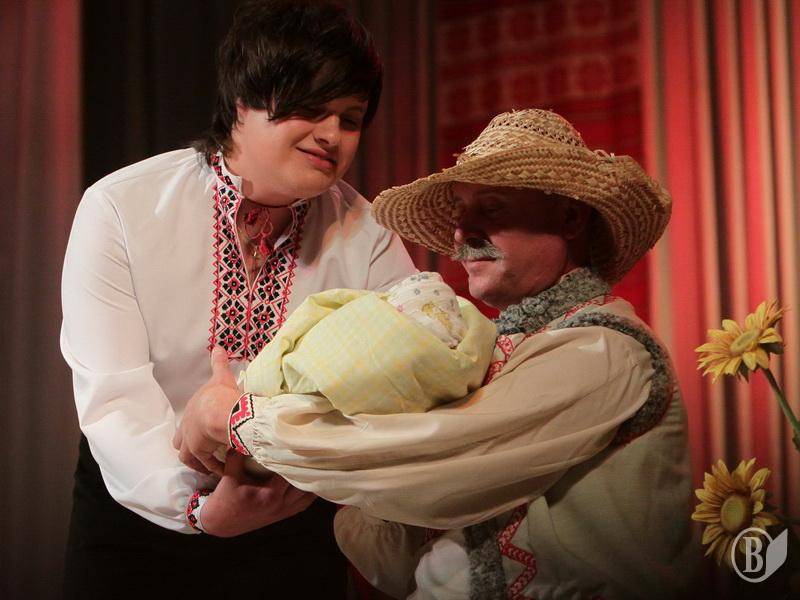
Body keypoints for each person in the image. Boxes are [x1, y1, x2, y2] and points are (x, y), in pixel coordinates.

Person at [176, 109, 699, 599]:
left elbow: (443, 458)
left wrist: (238, 418)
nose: (463, 233)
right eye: (460, 212)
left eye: (491, 208)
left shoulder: (605, 347)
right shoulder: (484, 354)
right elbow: (390, 549)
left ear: (569, 218)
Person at [60, 1, 416, 596]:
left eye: (350, 118)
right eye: (310, 107)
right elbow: (113, 396)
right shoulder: (121, 207)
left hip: (292, 512)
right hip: (139, 511)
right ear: (243, 99)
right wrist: (195, 508)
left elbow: (409, 372)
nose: (331, 135)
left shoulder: (368, 233)